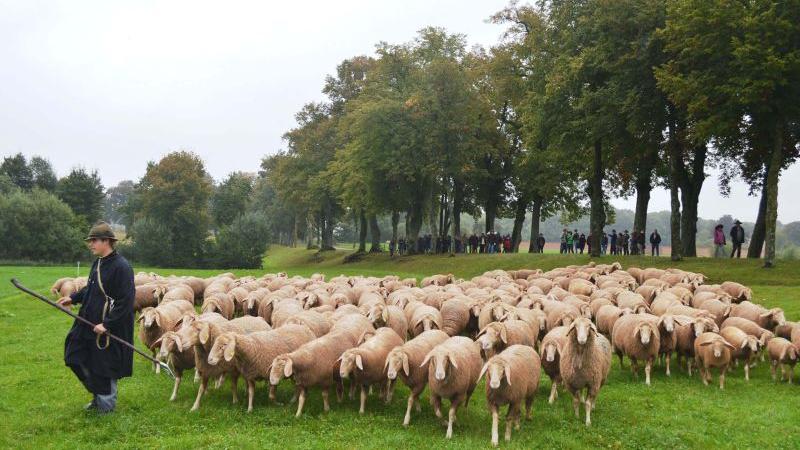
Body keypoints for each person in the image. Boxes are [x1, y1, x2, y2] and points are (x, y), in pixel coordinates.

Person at [57, 222, 135, 414]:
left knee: (104, 365)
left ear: (106, 241)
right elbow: (91, 288)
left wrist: (107, 324)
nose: (90, 244)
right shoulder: (98, 262)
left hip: (108, 325)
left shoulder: (122, 267)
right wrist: (73, 298)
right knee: (75, 355)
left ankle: (105, 406)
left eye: (94, 240)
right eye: (90, 241)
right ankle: (98, 395)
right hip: (88, 322)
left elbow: (126, 301)